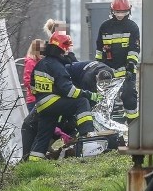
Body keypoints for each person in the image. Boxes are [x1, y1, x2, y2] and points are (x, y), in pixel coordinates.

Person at [27, 32, 101, 161]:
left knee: (43, 135)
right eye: (66, 47)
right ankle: (88, 137)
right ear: (61, 48)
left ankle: (34, 162)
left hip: (41, 105)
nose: (68, 51)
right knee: (82, 102)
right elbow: (69, 91)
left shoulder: (41, 63)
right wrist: (89, 95)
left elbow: (32, 86)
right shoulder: (57, 66)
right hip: (51, 102)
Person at [95, 0, 139, 123]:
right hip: (108, 70)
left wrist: (131, 64)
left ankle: (133, 123)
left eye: (123, 12)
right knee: (107, 99)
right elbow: (99, 48)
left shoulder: (132, 27)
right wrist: (98, 66)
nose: (120, 15)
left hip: (127, 70)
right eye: (117, 12)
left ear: (128, 11)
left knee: (129, 96)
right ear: (112, 11)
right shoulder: (105, 27)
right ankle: (111, 126)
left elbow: (134, 48)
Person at [22, 39, 45, 112]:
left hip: (41, 98)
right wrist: (38, 90)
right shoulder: (30, 62)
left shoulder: (40, 62)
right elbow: (27, 81)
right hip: (33, 99)